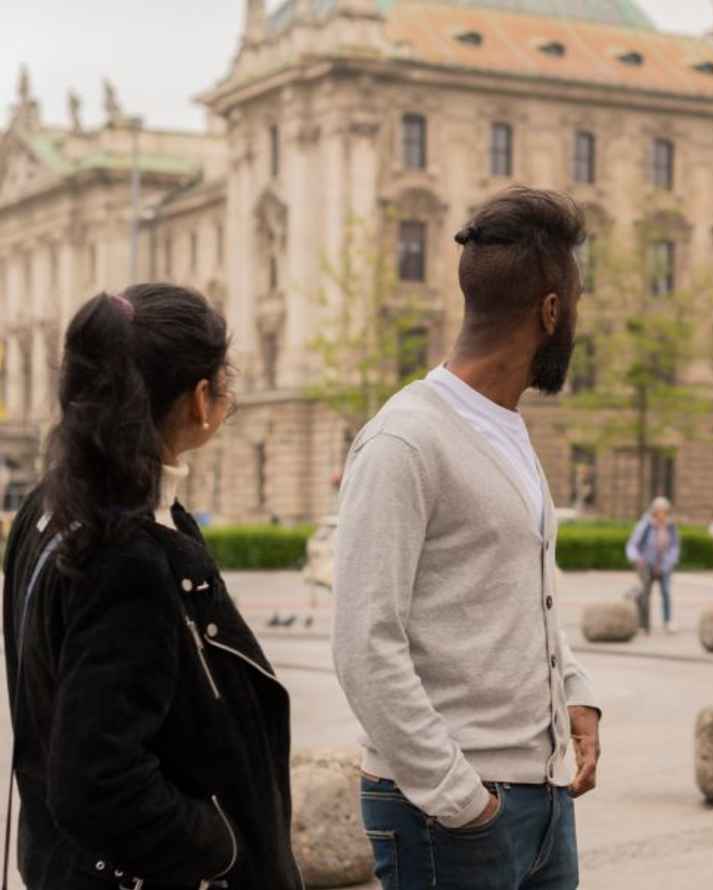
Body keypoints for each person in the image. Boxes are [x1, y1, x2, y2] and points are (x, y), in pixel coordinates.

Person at [333, 187, 602, 890]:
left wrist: (574, 692)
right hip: (453, 810)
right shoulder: (405, 440)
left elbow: (515, 593)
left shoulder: (504, 427)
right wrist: (458, 798)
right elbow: (364, 643)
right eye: (574, 305)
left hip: (539, 801)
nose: (576, 321)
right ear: (550, 311)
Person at [2, 285, 302, 889]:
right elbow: (97, 779)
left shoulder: (50, 504)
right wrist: (221, 847)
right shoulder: (126, 551)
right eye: (225, 382)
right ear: (199, 401)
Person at [626, 496, 680, 633]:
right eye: (659, 511)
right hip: (646, 564)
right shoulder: (645, 525)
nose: (662, 514)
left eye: (664, 511)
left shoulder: (671, 526)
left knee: (666, 592)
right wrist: (637, 559)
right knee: (645, 593)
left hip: (664, 565)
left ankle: (667, 621)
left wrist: (669, 562)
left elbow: (674, 546)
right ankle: (644, 625)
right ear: (654, 512)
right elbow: (632, 545)